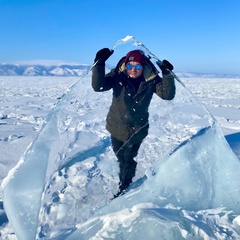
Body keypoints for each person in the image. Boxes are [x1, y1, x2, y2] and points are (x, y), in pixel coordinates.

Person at [92, 48, 176, 197]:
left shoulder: (151, 80)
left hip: (136, 130)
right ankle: (124, 179)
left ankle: (124, 188)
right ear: (126, 65)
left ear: (143, 66)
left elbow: (167, 95)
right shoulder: (118, 76)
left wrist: (167, 74)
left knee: (128, 159)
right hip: (116, 127)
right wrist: (99, 63)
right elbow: (98, 86)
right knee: (121, 157)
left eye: (137, 66)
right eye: (130, 66)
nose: (133, 70)